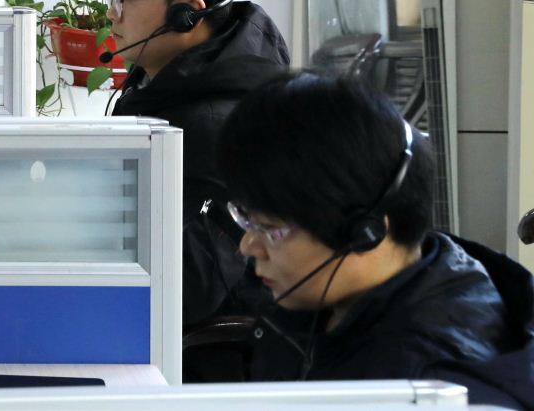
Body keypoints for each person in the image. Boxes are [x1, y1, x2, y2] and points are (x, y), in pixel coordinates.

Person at [218, 74, 534, 399]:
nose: (247, 246)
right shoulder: (327, 300)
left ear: (364, 232)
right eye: (247, 220)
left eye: (271, 229)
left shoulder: (424, 387)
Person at [104, 0, 291, 331]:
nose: (111, 13)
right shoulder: (166, 88)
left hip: (199, 351)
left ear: (186, 14)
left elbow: (190, 288)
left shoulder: (215, 127)